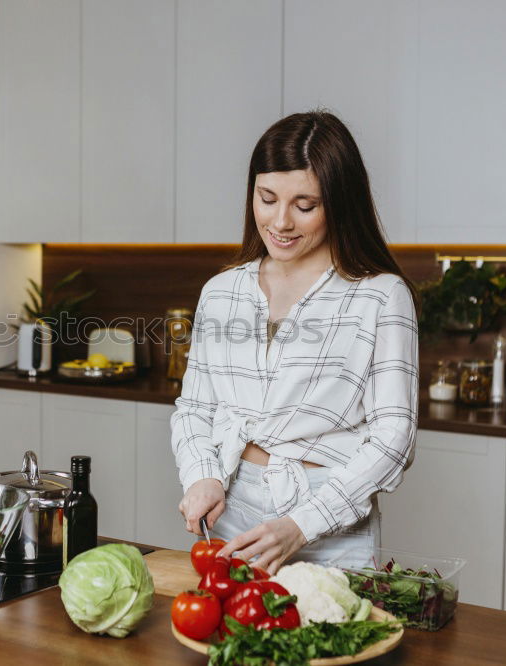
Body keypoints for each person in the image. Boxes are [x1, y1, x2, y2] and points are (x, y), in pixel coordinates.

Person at [170, 110, 419, 574]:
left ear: (339, 204)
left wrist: (302, 525)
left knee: (330, 644)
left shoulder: (380, 296)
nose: (280, 221)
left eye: (305, 205)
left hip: (327, 520)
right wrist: (202, 475)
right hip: (232, 512)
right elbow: (195, 409)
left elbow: (394, 438)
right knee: (232, 643)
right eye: (267, 199)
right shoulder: (221, 293)